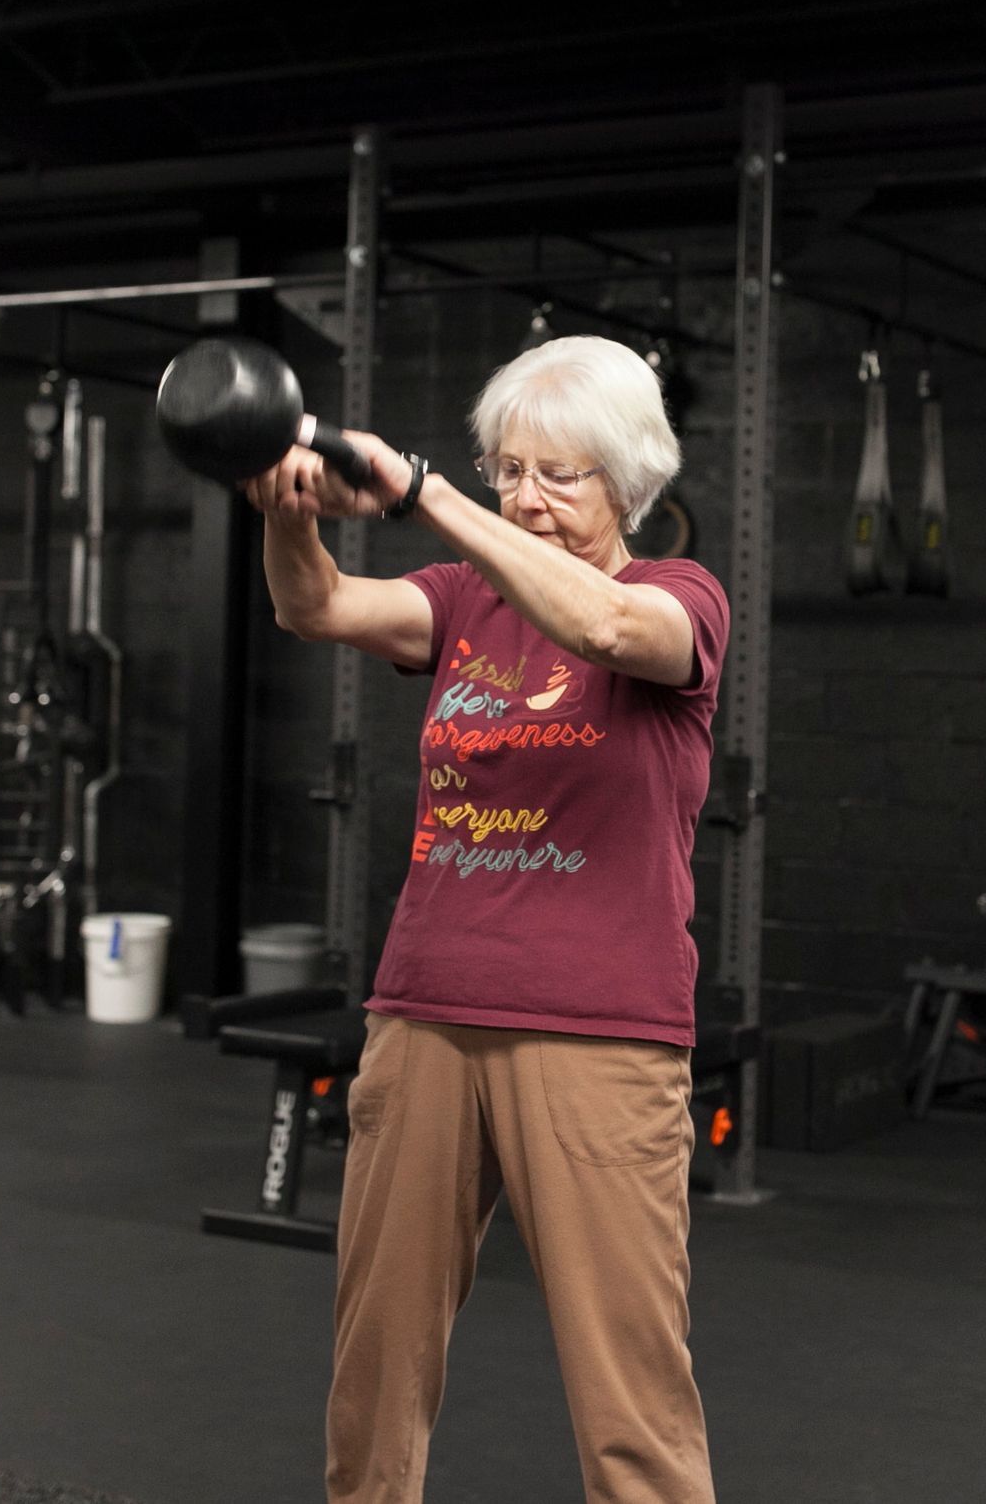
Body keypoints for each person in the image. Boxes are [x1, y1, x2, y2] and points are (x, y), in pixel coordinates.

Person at [240, 334, 728, 1504]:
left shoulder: (680, 597)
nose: (529, 495)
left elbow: (607, 633)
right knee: (376, 1369)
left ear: (630, 483)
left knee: (630, 1398)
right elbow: (313, 607)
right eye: (512, 469)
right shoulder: (461, 603)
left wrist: (424, 492)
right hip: (425, 1012)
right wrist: (288, 511)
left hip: (599, 1030)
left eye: (559, 475)